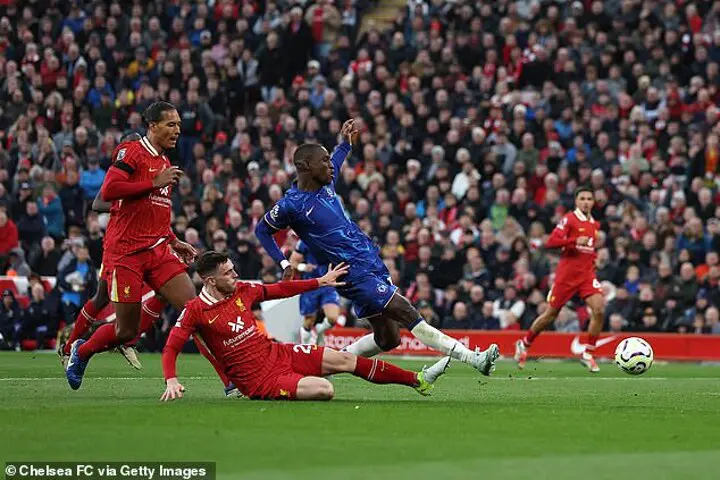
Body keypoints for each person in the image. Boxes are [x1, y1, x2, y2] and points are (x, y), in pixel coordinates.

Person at [255, 119, 499, 375]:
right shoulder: (291, 205)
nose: (330, 165)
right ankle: (474, 359)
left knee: (389, 338)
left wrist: (345, 144)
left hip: (370, 262)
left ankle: (315, 368)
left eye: (328, 160)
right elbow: (262, 230)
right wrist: (283, 262)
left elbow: (337, 160)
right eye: (324, 161)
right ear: (305, 166)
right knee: (406, 311)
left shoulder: (326, 184)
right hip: (351, 272)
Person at [64, 102, 229, 394]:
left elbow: (154, 210)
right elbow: (109, 191)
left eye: (179, 125)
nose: (177, 131)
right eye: (170, 125)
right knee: (125, 331)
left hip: (158, 250)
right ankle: (82, 350)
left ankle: (230, 382)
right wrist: (153, 182)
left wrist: (174, 240)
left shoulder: (165, 162)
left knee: (197, 311)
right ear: (152, 126)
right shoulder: (131, 151)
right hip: (126, 252)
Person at [160, 252, 450, 401]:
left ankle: (419, 381)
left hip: (279, 354)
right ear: (211, 281)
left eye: (233, 269)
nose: (235, 275)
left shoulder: (242, 291)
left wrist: (320, 282)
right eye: (228, 273)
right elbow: (172, 346)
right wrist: (171, 379)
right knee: (325, 390)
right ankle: (296, 382)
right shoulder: (195, 311)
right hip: (259, 380)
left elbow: (281, 289)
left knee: (343, 359)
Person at [514, 186, 605, 372]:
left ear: (593, 202)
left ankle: (588, 354)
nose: (586, 202)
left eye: (589, 199)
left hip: (586, 275)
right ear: (576, 201)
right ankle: (524, 343)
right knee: (550, 315)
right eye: (582, 198)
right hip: (567, 276)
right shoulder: (569, 219)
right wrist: (573, 241)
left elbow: (588, 249)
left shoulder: (594, 224)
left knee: (599, 309)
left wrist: (594, 260)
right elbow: (551, 242)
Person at [290, 240, 343, 345]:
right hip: (310, 284)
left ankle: (319, 329)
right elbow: (293, 261)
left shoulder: (333, 238)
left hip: (328, 284)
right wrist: (303, 267)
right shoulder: (304, 240)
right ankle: (305, 346)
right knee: (309, 321)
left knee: (333, 318)